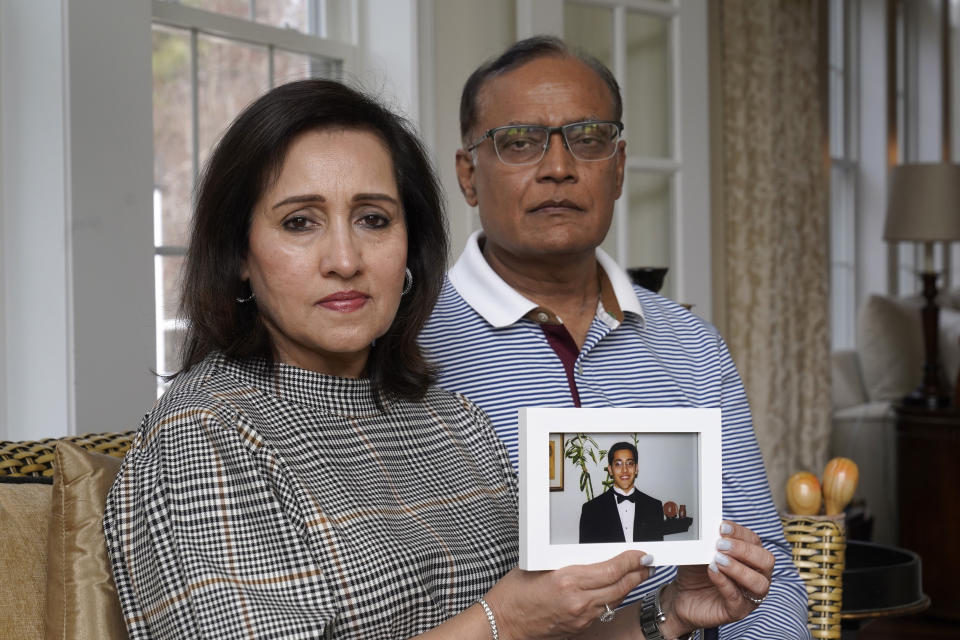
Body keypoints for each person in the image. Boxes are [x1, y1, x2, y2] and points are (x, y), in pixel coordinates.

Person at [102, 79, 656, 639]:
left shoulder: (454, 420)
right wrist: (501, 621)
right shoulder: (206, 431)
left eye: (373, 219)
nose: (345, 259)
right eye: (300, 222)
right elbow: (515, 621)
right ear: (239, 254)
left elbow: (547, 626)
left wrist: (667, 616)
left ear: (410, 247)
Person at [418, 36, 812, 639]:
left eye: (589, 138)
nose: (558, 167)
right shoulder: (409, 347)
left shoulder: (693, 346)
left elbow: (769, 577)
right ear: (469, 175)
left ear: (620, 167)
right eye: (519, 142)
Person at [579, 442, 665, 544]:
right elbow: (588, 555)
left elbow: (656, 553)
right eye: (618, 464)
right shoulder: (591, 510)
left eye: (629, 463)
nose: (625, 470)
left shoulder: (654, 507)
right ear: (610, 470)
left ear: (636, 469)